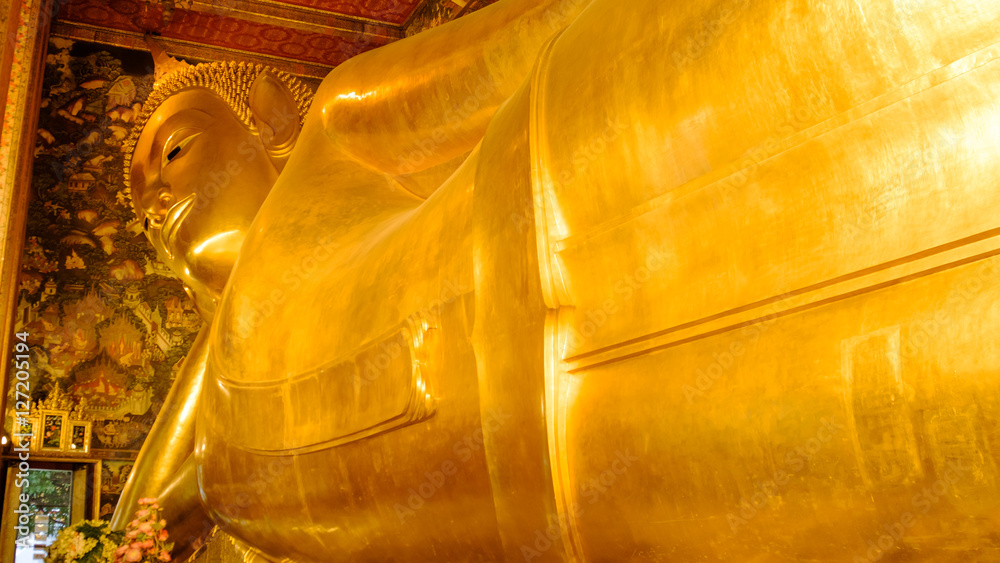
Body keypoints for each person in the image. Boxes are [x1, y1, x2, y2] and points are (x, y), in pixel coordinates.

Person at [118, 0, 1000, 560]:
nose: (156, 194)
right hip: (615, 491)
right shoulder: (223, 439)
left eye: (177, 150)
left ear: (267, 121)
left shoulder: (335, 135)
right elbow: (145, 513)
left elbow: (541, 29)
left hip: (604, 208)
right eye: (141, 199)